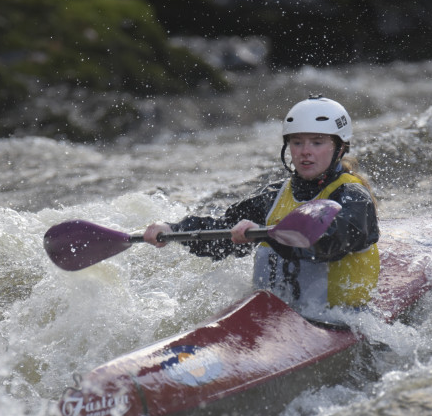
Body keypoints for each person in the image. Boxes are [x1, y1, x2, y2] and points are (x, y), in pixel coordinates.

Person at [143, 95, 380, 312]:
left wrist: (271, 236)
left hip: (340, 319)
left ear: (340, 147)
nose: (305, 152)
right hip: (276, 320)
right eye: (297, 143)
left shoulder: (353, 196)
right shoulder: (274, 196)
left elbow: (332, 241)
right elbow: (222, 231)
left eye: (317, 143)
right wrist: (173, 229)